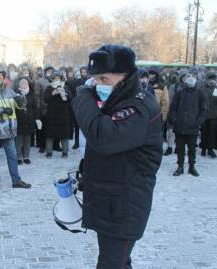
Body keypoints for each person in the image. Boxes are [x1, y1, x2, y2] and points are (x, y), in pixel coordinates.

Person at [72, 45, 163, 269]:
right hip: (112, 201)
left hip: (125, 205)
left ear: (126, 76)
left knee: (111, 264)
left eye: (104, 78)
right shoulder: (118, 98)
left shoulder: (138, 106)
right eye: (95, 80)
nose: (98, 85)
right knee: (118, 262)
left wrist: (83, 96)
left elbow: (102, 136)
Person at [0, 63, 32, 191]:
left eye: (2, 75)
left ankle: (16, 180)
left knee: (13, 156)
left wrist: (22, 100)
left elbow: (19, 104)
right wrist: (2, 110)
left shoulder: (9, 90)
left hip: (8, 129)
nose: (0, 77)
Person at [169, 68, 208, 177]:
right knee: (180, 149)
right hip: (179, 126)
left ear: (196, 79)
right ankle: (180, 167)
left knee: (192, 149)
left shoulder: (201, 93)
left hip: (193, 127)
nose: (190, 79)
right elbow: (173, 108)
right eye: (188, 77)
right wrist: (174, 120)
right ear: (184, 80)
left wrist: (198, 122)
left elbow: (204, 110)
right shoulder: (179, 93)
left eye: (192, 77)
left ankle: (192, 167)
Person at [44, 71, 72, 158]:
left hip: (63, 114)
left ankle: (65, 152)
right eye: (55, 78)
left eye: (58, 78)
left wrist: (65, 95)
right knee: (50, 135)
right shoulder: (49, 88)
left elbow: (70, 98)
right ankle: (49, 152)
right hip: (52, 114)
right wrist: (53, 93)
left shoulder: (65, 86)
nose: (57, 80)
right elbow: (46, 99)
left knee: (64, 135)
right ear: (52, 79)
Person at [15, 78, 39, 165]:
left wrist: (37, 118)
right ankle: (18, 157)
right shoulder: (16, 95)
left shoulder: (31, 95)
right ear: (19, 85)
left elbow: (35, 108)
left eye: (25, 84)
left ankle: (26, 157)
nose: (24, 85)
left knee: (27, 141)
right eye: (22, 84)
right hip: (19, 121)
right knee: (19, 141)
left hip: (29, 121)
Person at [164, 71, 186, 156]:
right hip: (174, 111)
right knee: (170, 131)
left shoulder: (190, 88)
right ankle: (170, 147)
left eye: (186, 78)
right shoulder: (174, 87)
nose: (184, 79)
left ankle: (178, 147)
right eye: (183, 77)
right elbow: (169, 99)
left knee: (181, 132)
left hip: (184, 113)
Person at [34, 66, 54, 153]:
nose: (50, 73)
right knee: (42, 128)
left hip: (53, 107)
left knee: (52, 127)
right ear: (45, 72)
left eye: (51, 71)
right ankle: (42, 145)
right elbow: (37, 95)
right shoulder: (40, 81)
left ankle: (54, 145)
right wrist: (38, 107)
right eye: (48, 71)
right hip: (43, 107)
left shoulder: (55, 80)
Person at [200, 71, 217, 158]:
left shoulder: (216, 89)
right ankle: (203, 148)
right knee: (204, 132)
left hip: (214, 115)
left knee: (212, 132)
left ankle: (210, 149)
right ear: (206, 79)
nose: (211, 81)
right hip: (204, 114)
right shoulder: (202, 89)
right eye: (210, 79)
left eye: (213, 79)